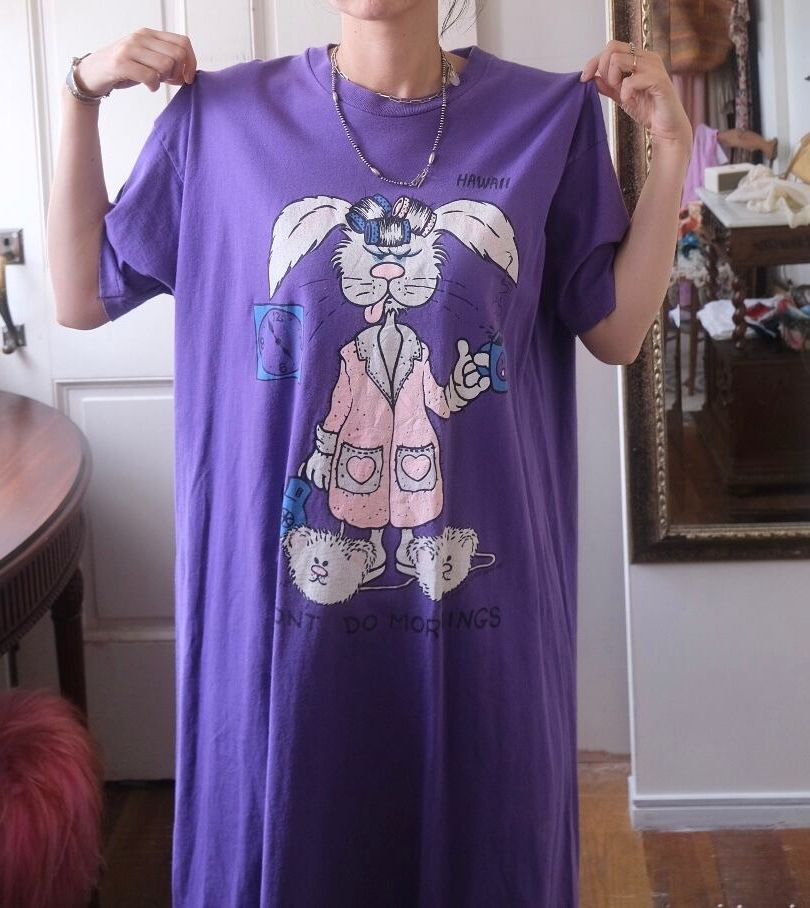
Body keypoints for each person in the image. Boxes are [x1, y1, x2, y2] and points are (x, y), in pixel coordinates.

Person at [46, 1, 692, 905]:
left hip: (480, 644)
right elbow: (81, 293)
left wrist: (672, 152)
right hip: (275, 643)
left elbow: (616, 332)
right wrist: (79, 93)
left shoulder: (547, 121)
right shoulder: (220, 121)